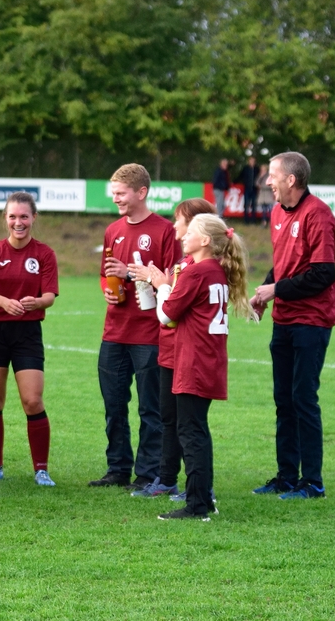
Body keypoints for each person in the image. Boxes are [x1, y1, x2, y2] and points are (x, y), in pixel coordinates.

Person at [155, 214, 256, 520]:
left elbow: (166, 315)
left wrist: (162, 287)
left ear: (206, 241)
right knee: (196, 429)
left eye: (191, 232)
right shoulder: (214, 270)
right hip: (208, 358)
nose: (184, 236)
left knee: (190, 432)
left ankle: (197, 504)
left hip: (195, 360)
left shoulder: (197, 272)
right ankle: (203, 499)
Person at [250, 151, 335, 500]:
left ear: (291, 179)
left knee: (303, 398)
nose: (267, 181)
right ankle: (287, 476)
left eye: (272, 175)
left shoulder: (318, 214)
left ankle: (312, 482)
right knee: (283, 400)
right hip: (283, 320)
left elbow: (323, 273)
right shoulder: (276, 212)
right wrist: (265, 292)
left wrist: (276, 289)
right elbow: (284, 266)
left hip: (312, 321)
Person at [90, 163, 179, 490]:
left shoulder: (165, 231)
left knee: (150, 409)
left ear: (141, 192)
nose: (115, 199)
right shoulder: (113, 230)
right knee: (114, 406)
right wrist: (109, 289)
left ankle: (148, 473)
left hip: (149, 335)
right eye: (113, 193)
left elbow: (172, 279)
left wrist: (130, 273)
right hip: (114, 332)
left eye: (121, 193)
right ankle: (117, 469)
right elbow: (105, 273)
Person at [128, 198, 216, 499]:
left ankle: (200, 489)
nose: (175, 224)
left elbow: (172, 312)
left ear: (196, 225)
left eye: (180, 219)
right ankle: (167, 479)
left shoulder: (197, 268)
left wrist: (161, 285)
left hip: (188, 352)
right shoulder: (185, 264)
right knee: (169, 418)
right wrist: (154, 288)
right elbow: (168, 308)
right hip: (170, 348)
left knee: (189, 424)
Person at [0, 192, 59, 486]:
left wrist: (37, 302)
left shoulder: (44, 254)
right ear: (5, 218)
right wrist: (4, 302)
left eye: (24, 216)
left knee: (33, 401)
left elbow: (49, 295)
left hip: (27, 333)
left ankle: (41, 470)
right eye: (13, 216)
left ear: (34, 217)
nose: (18, 222)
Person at [237, 156, 259, 225]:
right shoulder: (245, 168)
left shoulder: (257, 169)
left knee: (254, 205)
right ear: (248, 161)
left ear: (255, 162)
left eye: (253, 161)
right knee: (246, 205)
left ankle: (253, 220)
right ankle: (246, 220)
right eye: (251, 160)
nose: (252, 162)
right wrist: (234, 182)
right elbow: (240, 176)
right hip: (247, 189)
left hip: (254, 190)